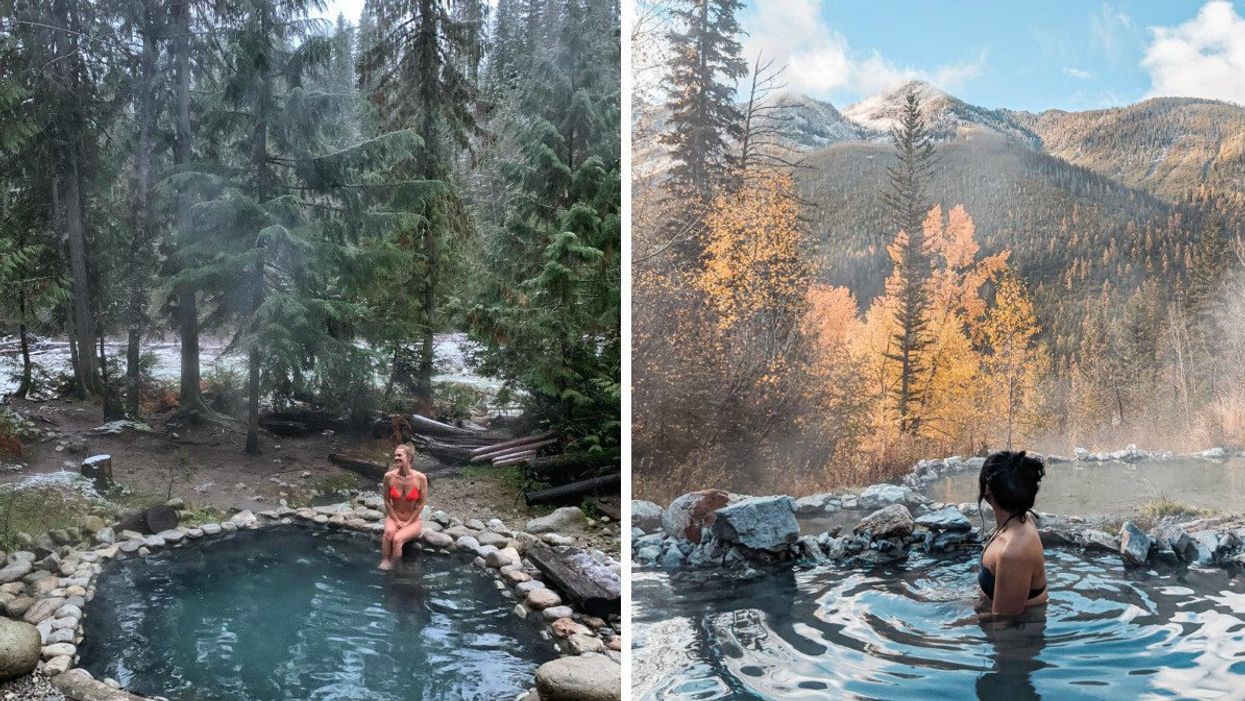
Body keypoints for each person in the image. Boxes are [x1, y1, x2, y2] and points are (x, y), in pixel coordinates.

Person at [977, 450, 1048, 616]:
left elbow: (1003, 622)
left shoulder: (1013, 552)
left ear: (987, 490)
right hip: (991, 611)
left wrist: (948, 629)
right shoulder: (1018, 518)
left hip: (1020, 634)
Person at [379, 443, 428, 570]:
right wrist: (396, 520)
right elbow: (387, 500)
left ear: (409, 458)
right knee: (388, 534)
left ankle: (396, 568)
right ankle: (385, 561)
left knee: (397, 539)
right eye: (395, 455)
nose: (396, 458)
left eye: (399, 455)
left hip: (413, 521)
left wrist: (408, 523)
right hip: (394, 517)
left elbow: (421, 503)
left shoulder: (420, 478)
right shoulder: (389, 477)